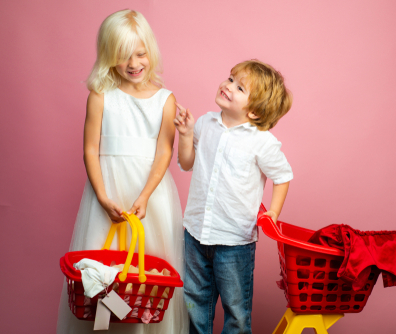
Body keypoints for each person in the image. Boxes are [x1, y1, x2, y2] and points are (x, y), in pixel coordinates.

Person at [57, 9, 188, 334]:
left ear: (150, 51)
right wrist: (102, 197)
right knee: (102, 270)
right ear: (108, 57)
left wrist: (145, 196)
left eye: (140, 54)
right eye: (122, 56)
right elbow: (90, 149)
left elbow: (164, 152)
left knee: (148, 272)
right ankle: (105, 327)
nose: (133, 64)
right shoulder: (101, 95)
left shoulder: (165, 100)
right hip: (108, 193)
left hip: (150, 197)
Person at [174, 60, 293, 334]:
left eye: (239, 87)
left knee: (236, 312)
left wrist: (272, 213)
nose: (227, 86)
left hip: (234, 241)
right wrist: (186, 134)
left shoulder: (261, 141)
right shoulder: (205, 123)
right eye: (230, 79)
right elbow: (187, 162)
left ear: (253, 111)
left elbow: (283, 176)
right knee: (193, 304)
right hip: (195, 234)